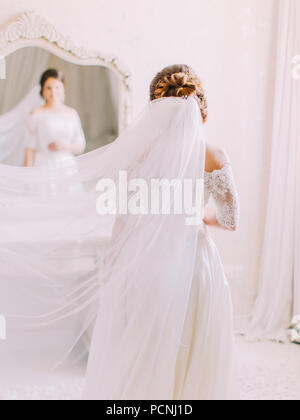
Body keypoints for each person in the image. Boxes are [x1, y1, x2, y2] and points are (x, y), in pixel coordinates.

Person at [83, 64, 240, 400]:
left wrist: (114, 264)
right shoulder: (213, 155)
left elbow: (124, 219)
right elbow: (230, 219)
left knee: (144, 348)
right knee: (193, 345)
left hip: (145, 260)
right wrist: (195, 215)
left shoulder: (139, 153)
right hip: (195, 264)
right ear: (199, 106)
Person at [24, 69, 86, 168]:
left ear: (63, 89)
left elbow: (81, 146)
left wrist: (65, 146)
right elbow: (30, 148)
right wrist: (28, 174)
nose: (53, 92)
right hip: (44, 167)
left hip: (68, 167)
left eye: (57, 87)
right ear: (43, 91)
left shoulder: (72, 113)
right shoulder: (36, 114)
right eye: (48, 88)